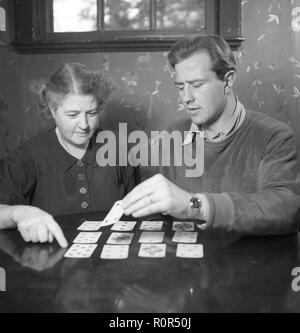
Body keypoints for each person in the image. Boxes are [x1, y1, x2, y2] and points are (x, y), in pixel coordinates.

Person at [122, 35, 300, 235]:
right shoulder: (173, 135)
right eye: (180, 86)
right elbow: (164, 221)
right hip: (185, 263)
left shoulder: (274, 136)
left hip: (248, 263)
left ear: (228, 80)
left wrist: (196, 205)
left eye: (197, 85)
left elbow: (286, 209)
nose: (186, 97)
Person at [0, 63, 140, 247]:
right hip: (52, 267)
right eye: (73, 114)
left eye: (91, 113)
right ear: (52, 110)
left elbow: (138, 212)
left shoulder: (120, 147)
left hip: (113, 263)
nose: (84, 124)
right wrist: (18, 214)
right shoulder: (26, 157)